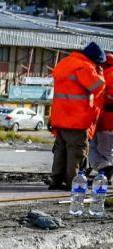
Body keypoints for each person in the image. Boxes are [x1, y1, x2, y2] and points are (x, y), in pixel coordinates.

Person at [47, 41, 106, 190]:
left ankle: (56, 180)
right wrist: (99, 72)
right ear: (93, 59)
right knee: (76, 152)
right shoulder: (84, 67)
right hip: (76, 119)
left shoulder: (65, 63)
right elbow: (97, 88)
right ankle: (72, 182)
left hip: (59, 117)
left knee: (60, 151)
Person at [90, 52, 113, 181]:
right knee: (107, 149)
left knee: (101, 149)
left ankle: (106, 173)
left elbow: (95, 93)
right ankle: (105, 172)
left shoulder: (105, 76)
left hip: (105, 120)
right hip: (108, 121)